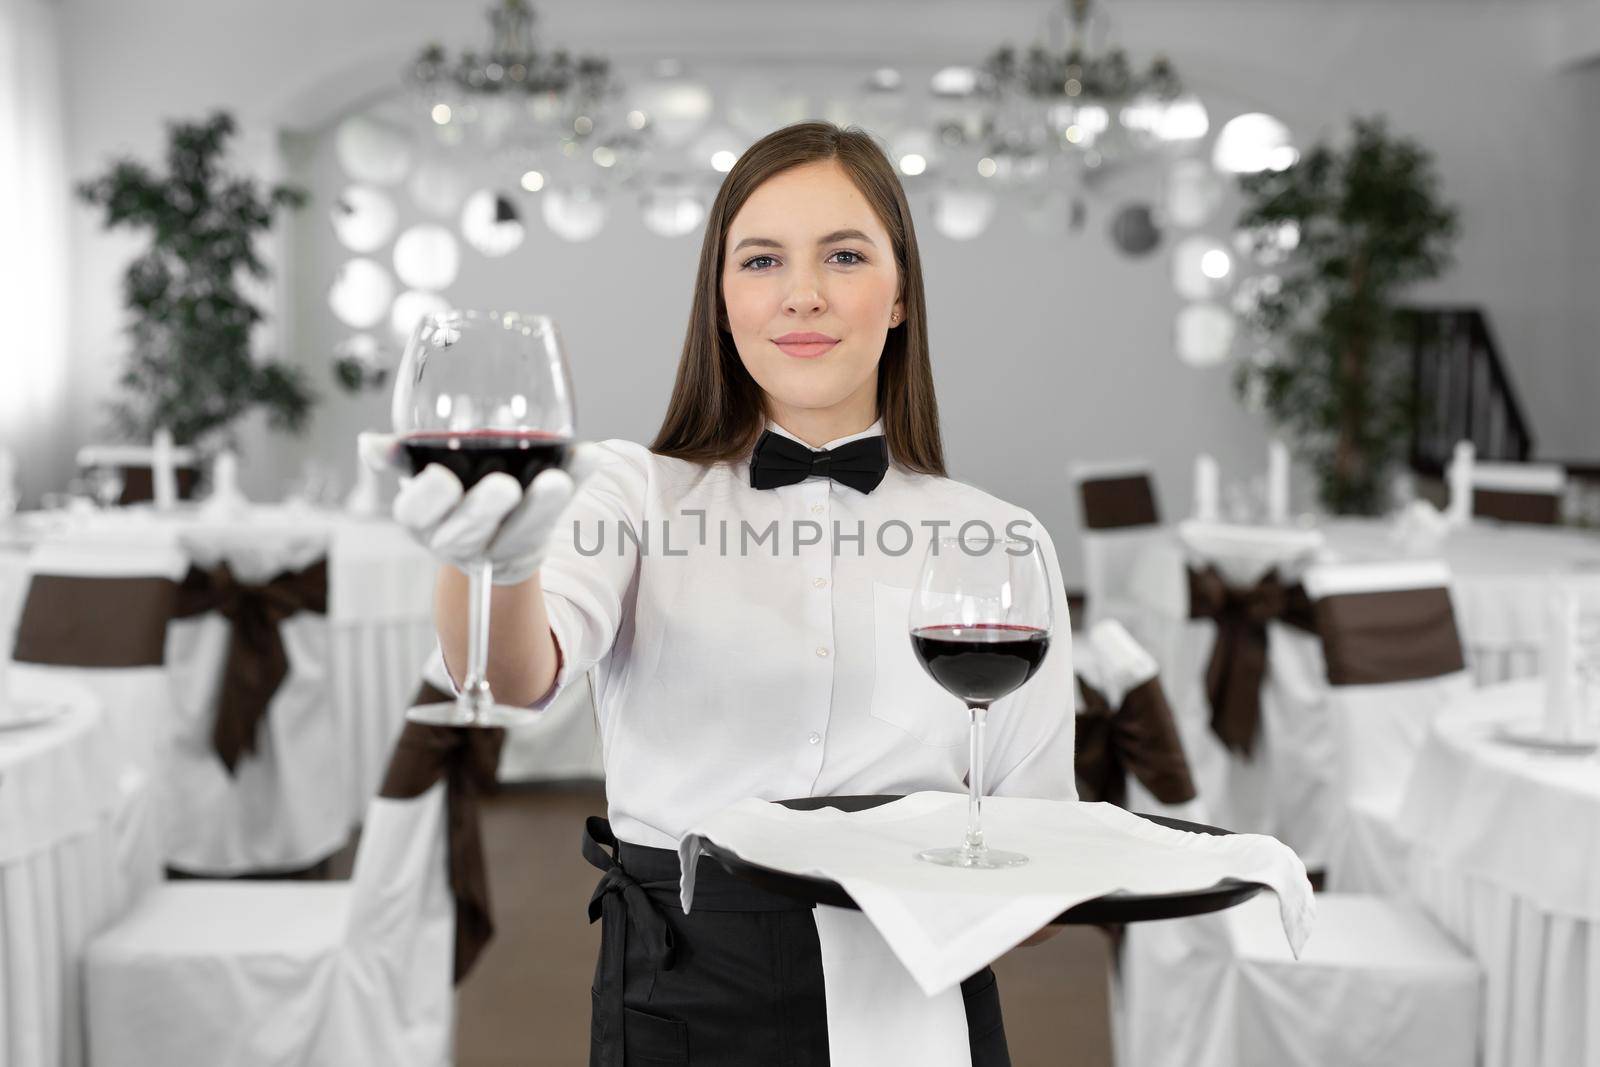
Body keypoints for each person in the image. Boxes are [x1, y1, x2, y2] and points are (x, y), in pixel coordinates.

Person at [386, 121, 1076, 1066]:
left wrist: (972, 880)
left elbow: (1035, 862)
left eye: (844, 254)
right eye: (760, 260)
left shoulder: (1000, 540)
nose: (802, 294)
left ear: (902, 291)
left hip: (921, 1005)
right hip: (681, 994)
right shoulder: (632, 493)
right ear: (719, 299)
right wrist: (490, 564)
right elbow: (514, 677)